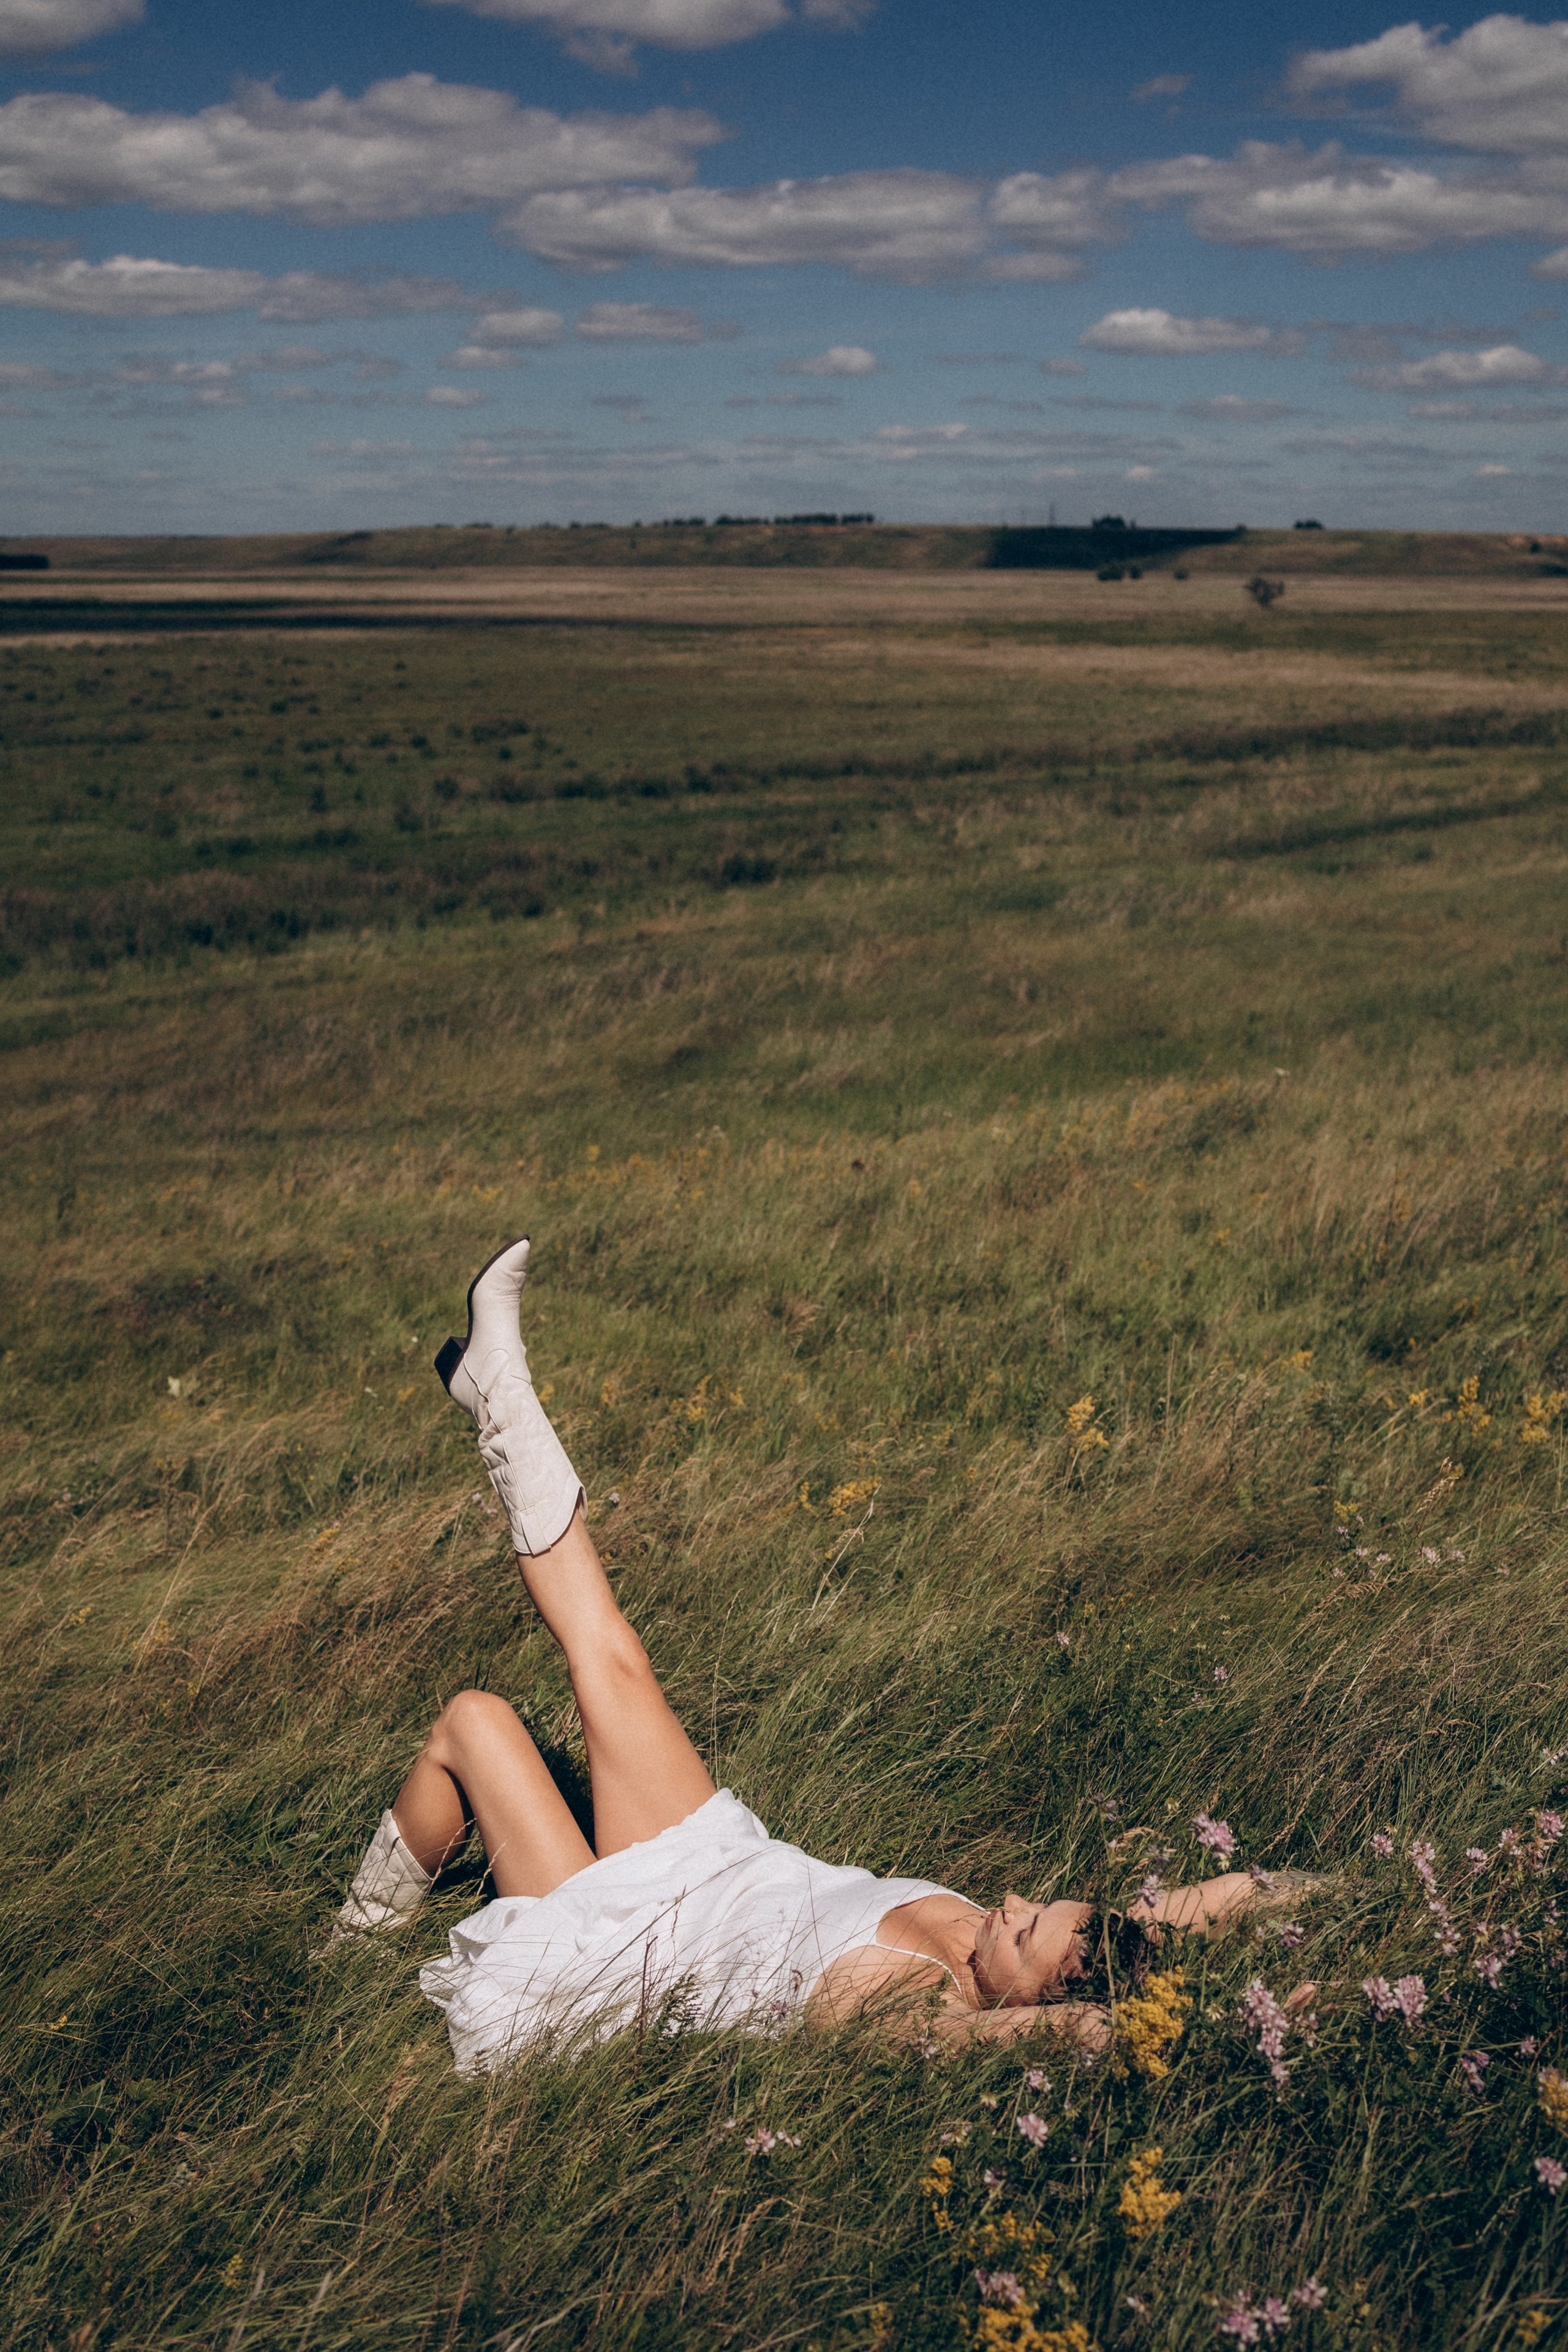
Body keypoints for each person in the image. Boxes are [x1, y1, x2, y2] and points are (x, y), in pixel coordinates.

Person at [334, 1240, 1310, 2074]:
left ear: (1033, 2007)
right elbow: (1217, 1901)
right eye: (1035, 1905)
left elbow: (1085, 2033)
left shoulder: (906, 2013)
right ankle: (497, 1389)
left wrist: (1178, 2041)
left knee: (476, 1722)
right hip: (717, 1860)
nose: (1006, 1905)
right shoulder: (1028, 1947)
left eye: (1021, 1932)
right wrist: (1368, 1903)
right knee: (611, 1654)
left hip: (629, 1950)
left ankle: (346, 1955)